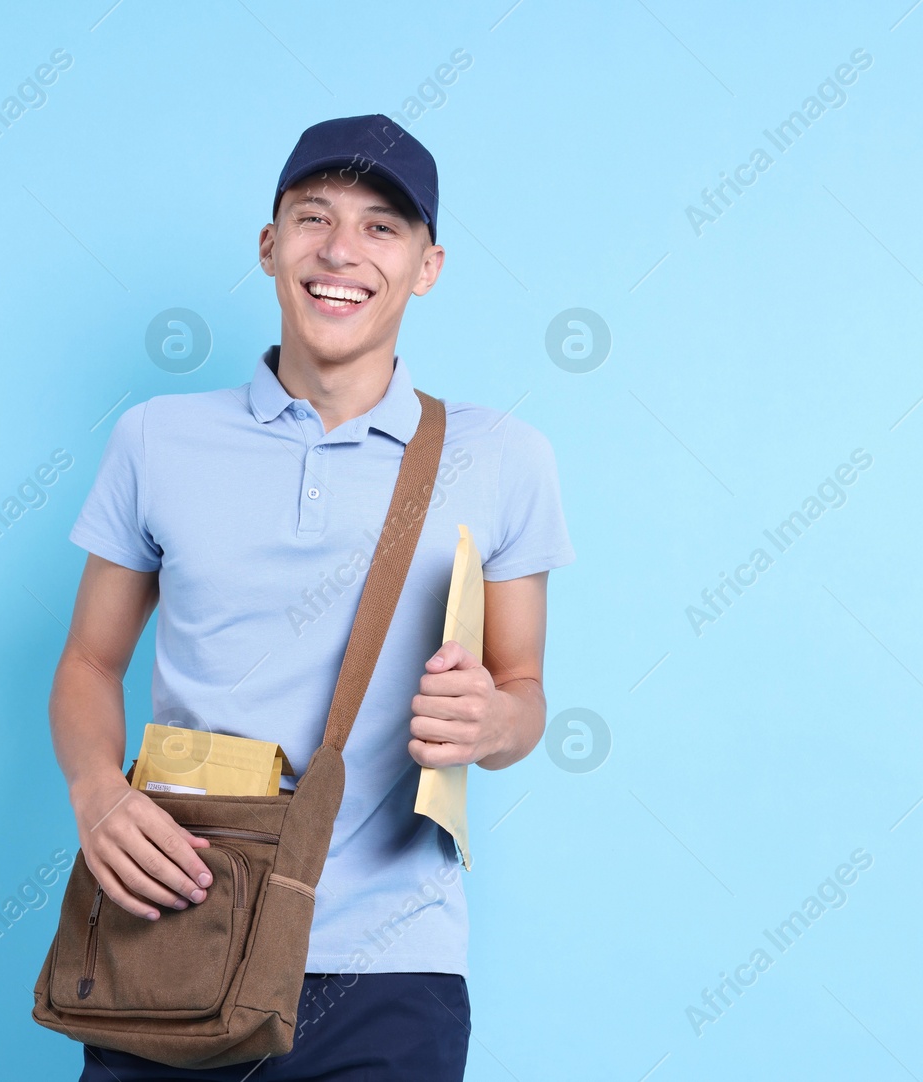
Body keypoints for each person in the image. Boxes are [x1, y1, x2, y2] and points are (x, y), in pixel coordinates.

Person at [49, 114, 575, 1081]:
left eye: (383, 227)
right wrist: (94, 795)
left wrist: (491, 720)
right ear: (270, 243)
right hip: (177, 927)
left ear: (428, 265)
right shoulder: (156, 440)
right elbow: (89, 663)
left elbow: (525, 692)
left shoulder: (503, 456)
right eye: (313, 218)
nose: (341, 251)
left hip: (391, 967)